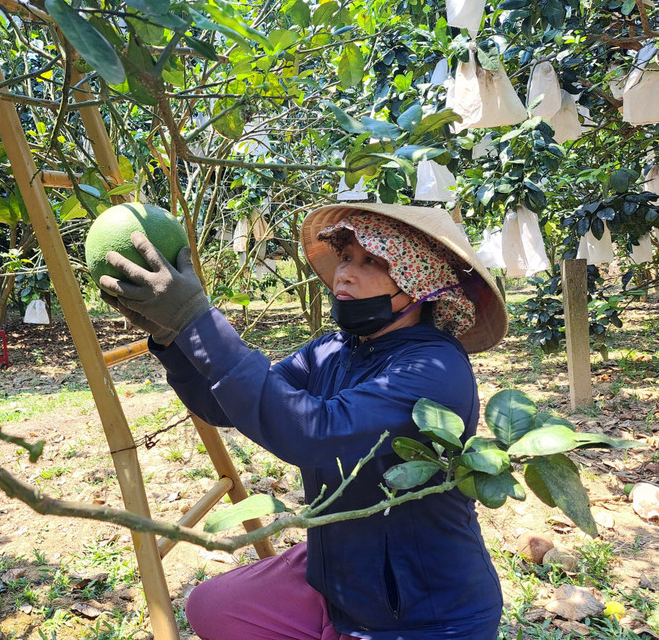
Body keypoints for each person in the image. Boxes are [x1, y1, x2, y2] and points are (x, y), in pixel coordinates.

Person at [98, 203, 509, 640]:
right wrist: (173, 337)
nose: (344, 274)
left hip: (423, 613)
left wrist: (196, 318)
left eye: (371, 261)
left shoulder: (434, 369)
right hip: (343, 575)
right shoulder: (335, 349)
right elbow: (229, 406)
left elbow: (314, 432)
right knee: (213, 607)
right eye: (347, 257)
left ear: (418, 282)